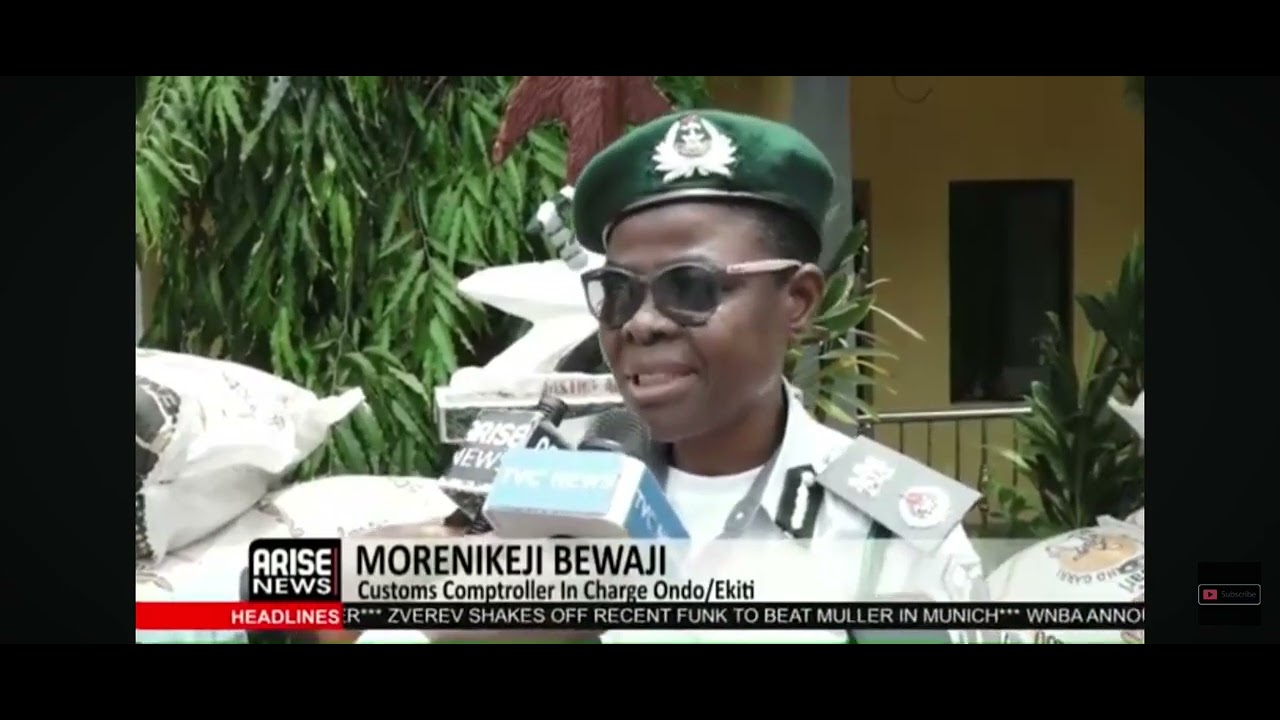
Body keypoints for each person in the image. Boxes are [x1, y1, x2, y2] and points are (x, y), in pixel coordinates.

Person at [567, 109, 989, 643]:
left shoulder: (889, 538)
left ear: (798, 300)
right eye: (618, 291)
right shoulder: (556, 504)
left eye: (690, 286)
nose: (641, 324)